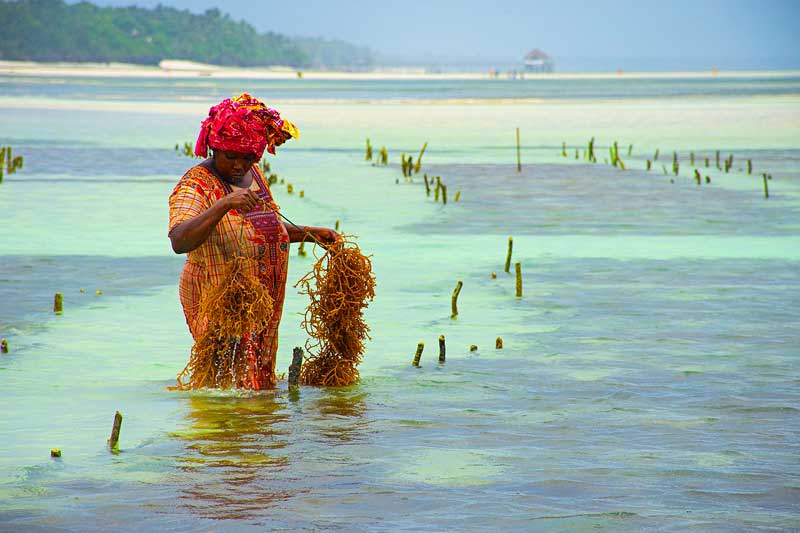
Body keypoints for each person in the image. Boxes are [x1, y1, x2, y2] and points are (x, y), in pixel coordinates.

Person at [168, 93, 337, 389]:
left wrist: (310, 233)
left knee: (255, 384)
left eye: (247, 158)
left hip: (260, 302)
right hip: (219, 298)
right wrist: (224, 204)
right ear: (215, 147)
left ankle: (252, 431)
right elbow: (179, 240)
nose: (238, 165)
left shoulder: (254, 176)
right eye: (230, 156)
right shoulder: (195, 185)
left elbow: (261, 229)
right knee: (223, 381)